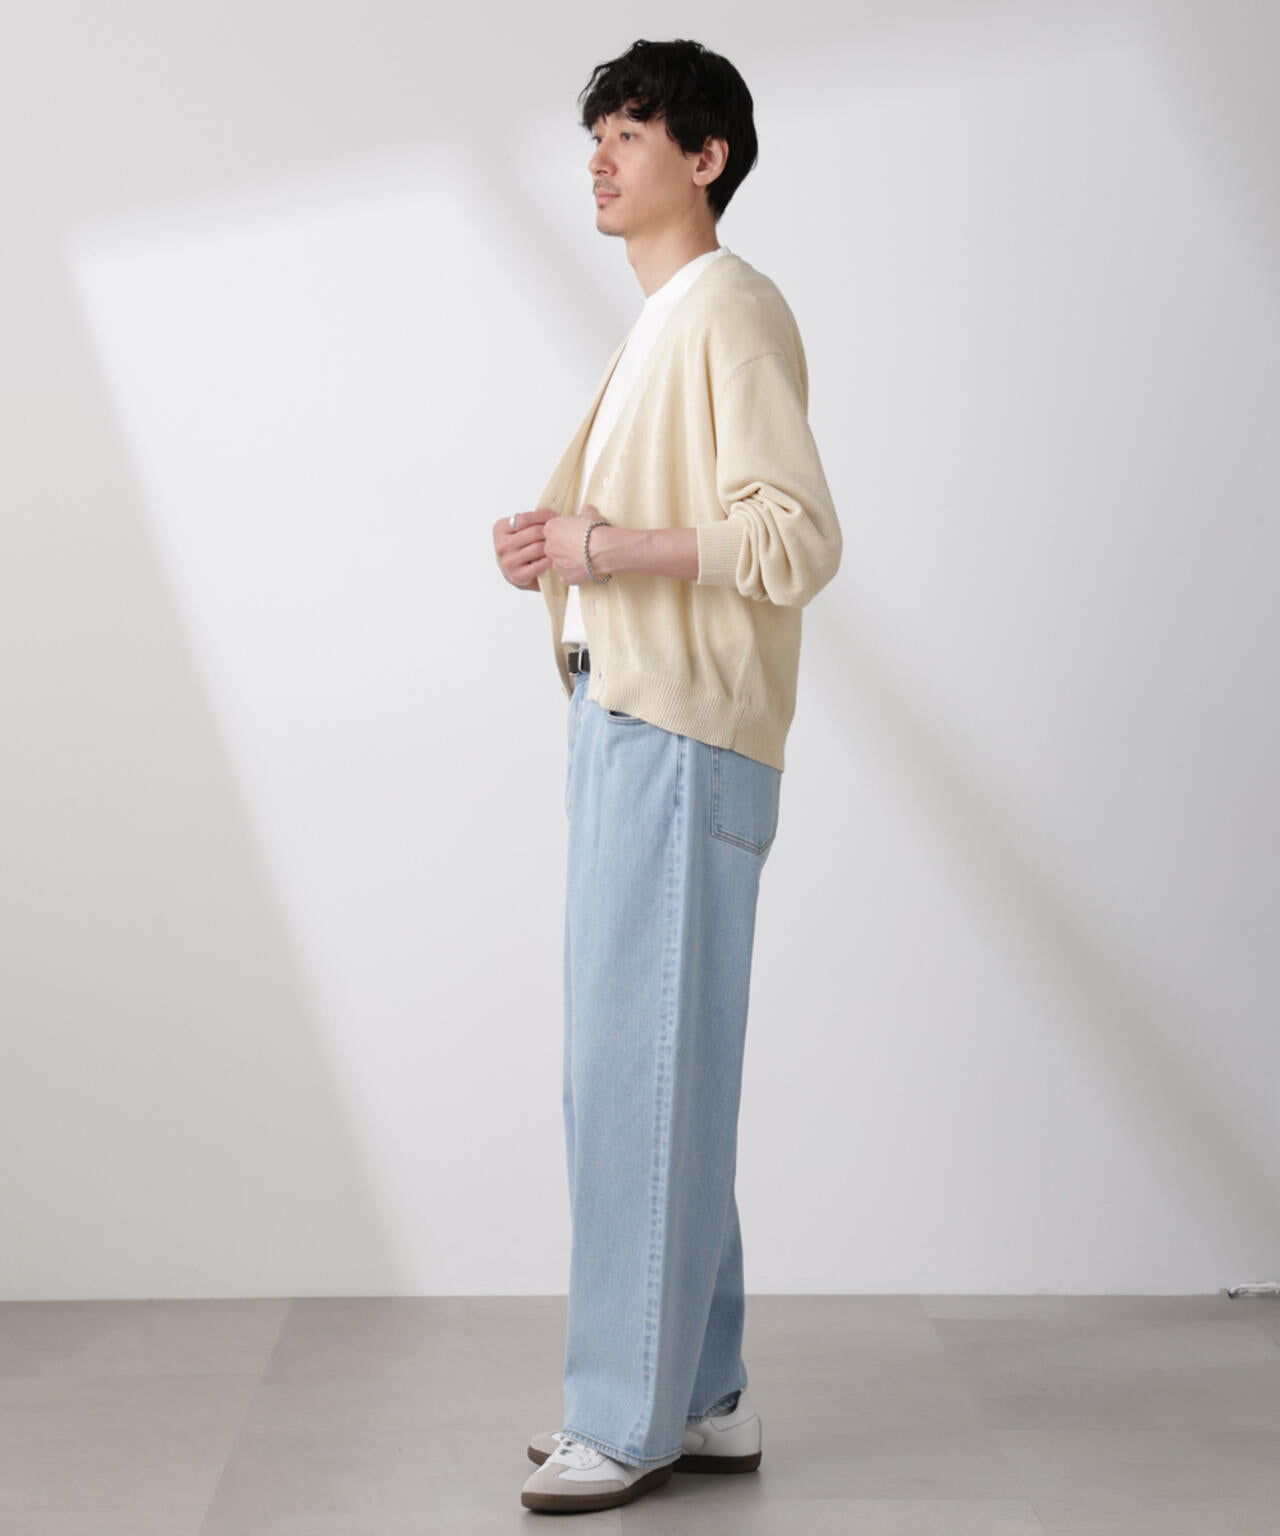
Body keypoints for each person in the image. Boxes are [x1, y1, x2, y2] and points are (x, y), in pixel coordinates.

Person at [490, 37, 842, 1515]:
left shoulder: (728, 309)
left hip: (679, 736)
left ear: (706, 158)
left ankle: (621, 1419)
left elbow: (796, 537)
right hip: (632, 722)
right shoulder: (661, 324)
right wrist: (561, 555)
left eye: (631, 132)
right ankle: (703, 1394)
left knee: (635, 1076)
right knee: (651, 1073)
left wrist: (606, 548)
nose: (600, 156)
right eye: (597, 132)